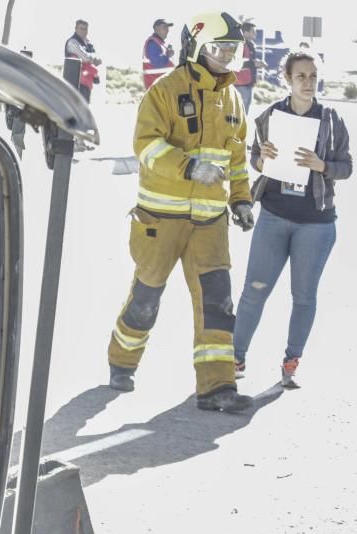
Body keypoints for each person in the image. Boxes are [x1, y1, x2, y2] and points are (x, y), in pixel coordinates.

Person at [106, 11, 255, 413]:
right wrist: (188, 166)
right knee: (147, 298)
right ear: (198, 46)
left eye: (232, 49)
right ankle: (121, 361)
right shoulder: (165, 91)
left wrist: (241, 199)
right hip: (160, 220)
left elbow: (237, 159)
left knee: (217, 302)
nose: (227, 55)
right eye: (220, 47)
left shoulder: (234, 101)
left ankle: (217, 386)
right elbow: (147, 145)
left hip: (210, 223)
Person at [232, 49, 352, 388]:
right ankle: (235, 359)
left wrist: (323, 166)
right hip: (273, 217)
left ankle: (291, 362)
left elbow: (346, 167)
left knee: (304, 297)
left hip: (317, 224)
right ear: (287, 79)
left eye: (313, 76)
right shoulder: (270, 116)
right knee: (254, 291)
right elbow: (255, 159)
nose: (308, 82)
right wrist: (262, 157)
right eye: (301, 76)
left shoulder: (331, 119)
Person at [65, 19, 101, 102]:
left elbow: (95, 56)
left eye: (85, 29)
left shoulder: (87, 43)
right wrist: (94, 60)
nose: (84, 31)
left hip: (86, 83)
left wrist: (95, 59)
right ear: (76, 29)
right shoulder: (72, 42)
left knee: (84, 107)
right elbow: (84, 56)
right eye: (81, 28)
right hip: (75, 83)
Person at [234, 22, 264, 113]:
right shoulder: (239, 45)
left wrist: (257, 67)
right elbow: (235, 63)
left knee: (245, 111)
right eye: (253, 31)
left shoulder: (250, 45)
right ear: (245, 32)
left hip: (248, 83)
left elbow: (250, 62)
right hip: (240, 84)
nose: (255, 33)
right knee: (239, 112)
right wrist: (254, 63)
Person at [142, 19, 175, 89]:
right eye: (164, 27)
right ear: (156, 29)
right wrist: (168, 55)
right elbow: (157, 63)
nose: (167, 30)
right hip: (156, 87)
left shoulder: (159, 43)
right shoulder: (152, 43)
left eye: (168, 28)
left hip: (161, 85)